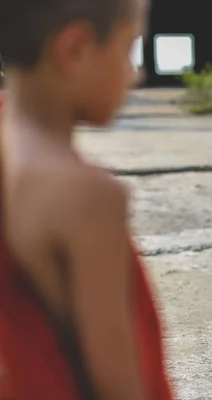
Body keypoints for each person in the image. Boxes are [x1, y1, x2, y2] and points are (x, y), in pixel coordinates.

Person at [0, 0, 173, 398]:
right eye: (130, 50)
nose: (137, 74)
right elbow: (120, 387)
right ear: (74, 51)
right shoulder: (87, 197)